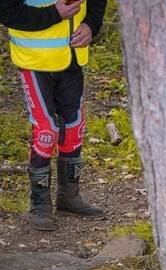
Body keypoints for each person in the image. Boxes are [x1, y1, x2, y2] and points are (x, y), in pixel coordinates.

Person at [0, 0, 107, 232]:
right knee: (46, 131)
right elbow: (7, 12)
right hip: (34, 61)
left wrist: (91, 24)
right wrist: (54, 14)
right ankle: (39, 204)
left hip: (72, 59)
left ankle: (69, 198)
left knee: (74, 129)